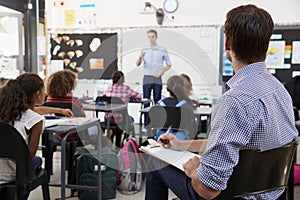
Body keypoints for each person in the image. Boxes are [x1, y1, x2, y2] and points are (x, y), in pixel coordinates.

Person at [145, 4, 298, 200]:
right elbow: (229, 144)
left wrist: (193, 170)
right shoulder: (280, 91)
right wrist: (182, 144)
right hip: (273, 194)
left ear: (227, 44)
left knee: (154, 161)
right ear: (266, 46)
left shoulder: (234, 101)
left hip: (232, 196)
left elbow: (208, 190)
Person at [0, 73, 45, 186]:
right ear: (38, 94)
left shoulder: (3, 111)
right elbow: (28, 159)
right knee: (37, 160)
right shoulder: (35, 120)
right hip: (14, 174)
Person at [102, 71, 142, 147]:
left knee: (111, 120)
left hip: (108, 119)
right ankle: (124, 144)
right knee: (131, 120)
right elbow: (139, 96)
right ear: (123, 79)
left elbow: (102, 98)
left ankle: (110, 134)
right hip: (122, 119)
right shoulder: (126, 88)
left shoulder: (109, 88)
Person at [136, 29, 172, 106]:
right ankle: (146, 118)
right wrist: (140, 57)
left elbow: (169, 65)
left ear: (156, 37)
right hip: (147, 77)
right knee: (146, 100)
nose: (151, 39)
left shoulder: (162, 50)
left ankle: (157, 118)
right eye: (149, 37)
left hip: (157, 77)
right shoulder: (144, 50)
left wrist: (161, 71)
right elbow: (137, 64)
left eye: (152, 37)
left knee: (157, 99)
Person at [155, 75, 194, 140]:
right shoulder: (186, 105)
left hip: (161, 137)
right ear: (182, 88)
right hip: (180, 139)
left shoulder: (159, 105)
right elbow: (191, 125)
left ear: (167, 89)